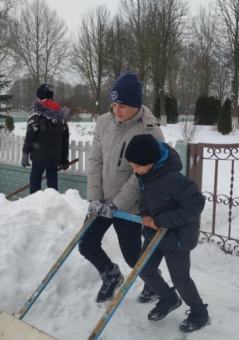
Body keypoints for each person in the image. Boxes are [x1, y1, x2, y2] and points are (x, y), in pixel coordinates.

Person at [80, 71, 164, 304]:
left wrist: (117, 205)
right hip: (103, 200)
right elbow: (96, 160)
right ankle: (110, 275)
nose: (117, 110)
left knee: (132, 256)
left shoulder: (150, 131)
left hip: (130, 206)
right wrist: (95, 197)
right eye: (114, 104)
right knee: (86, 244)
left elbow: (143, 176)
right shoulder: (104, 122)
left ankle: (153, 283)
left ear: (136, 104)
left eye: (123, 106)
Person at [124, 134, 210, 334]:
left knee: (180, 279)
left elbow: (196, 204)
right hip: (155, 233)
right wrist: (146, 214)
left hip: (177, 237)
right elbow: (147, 199)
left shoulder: (174, 179)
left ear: (152, 161)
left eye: (137, 166)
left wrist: (160, 221)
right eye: (132, 166)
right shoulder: (147, 174)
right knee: (143, 269)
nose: (134, 171)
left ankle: (199, 312)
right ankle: (168, 298)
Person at [21, 83, 70, 194]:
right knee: (52, 183)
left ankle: (34, 204)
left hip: (39, 154)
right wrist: (64, 158)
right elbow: (65, 137)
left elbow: (30, 133)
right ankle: (53, 205)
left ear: (40, 96)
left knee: (35, 181)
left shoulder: (36, 111)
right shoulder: (61, 113)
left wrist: (25, 153)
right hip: (55, 155)